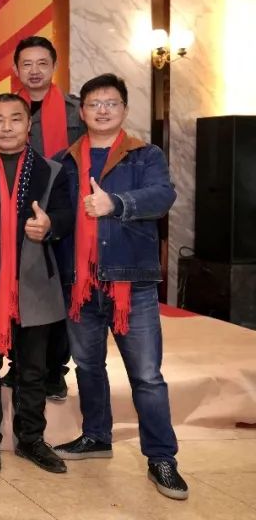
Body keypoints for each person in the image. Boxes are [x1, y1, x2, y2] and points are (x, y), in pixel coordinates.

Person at [52, 73, 188, 500]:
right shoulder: (65, 160)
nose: (102, 110)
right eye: (94, 104)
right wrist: (46, 226)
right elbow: (60, 216)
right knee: (88, 367)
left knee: (146, 376)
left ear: (124, 110)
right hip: (80, 284)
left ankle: (162, 458)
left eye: (111, 103)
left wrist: (116, 203)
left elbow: (163, 196)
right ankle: (96, 436)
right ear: (82, 112)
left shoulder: (144, 155)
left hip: (131, 282)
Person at [0, 93, 74, 474]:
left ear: (28, 125)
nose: (7, 127)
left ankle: (31, 440)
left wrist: (50, 225)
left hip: (35, 287)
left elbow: (66, 215)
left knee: (33, 371)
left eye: (16, 119)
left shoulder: (52, 171)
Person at [11, 35, 86, 401]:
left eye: (42, 63)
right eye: (27, 64)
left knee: (61, 292)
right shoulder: (6, 110)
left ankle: (55, 370)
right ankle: (19, 365)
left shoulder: (77, 111)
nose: (35, 71)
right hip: (16, 211)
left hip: (64, 211)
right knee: (19, 289)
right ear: (16, 69)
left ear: (54, 66)